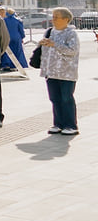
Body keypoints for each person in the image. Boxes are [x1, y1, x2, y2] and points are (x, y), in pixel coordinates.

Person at [39, 7, 80, 135]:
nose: (53, 19)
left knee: (66, 98)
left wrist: (54, 44)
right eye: (53, 16)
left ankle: (71, 125)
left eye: (56, 17)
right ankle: (58, 124)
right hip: (51, 72)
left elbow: (72, 51)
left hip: (66, 73)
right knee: (54, 98)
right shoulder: (50, 31)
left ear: (66, 19)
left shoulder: (71, 33)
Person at [0, 7, 28, 73]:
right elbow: (21, 31)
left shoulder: (4, 20)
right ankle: (16, 65)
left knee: (7, 52)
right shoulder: (18, 20)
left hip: (7, 37)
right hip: (17, 38)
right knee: (17, 51)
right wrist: (22, 37)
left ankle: (7, 64)